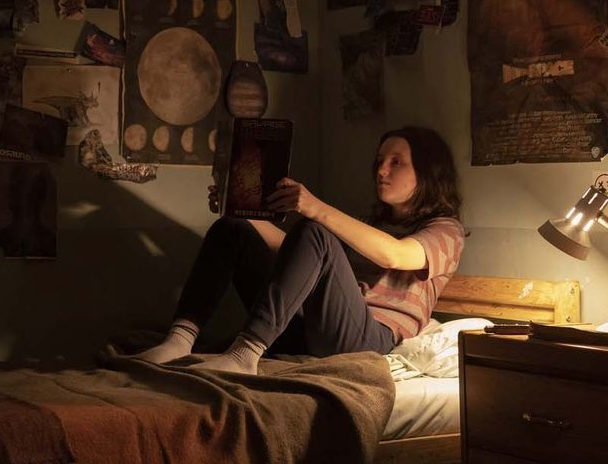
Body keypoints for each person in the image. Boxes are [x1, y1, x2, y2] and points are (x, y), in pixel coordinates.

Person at [133, 126, 465, 374]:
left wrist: (315, 208)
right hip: (313, 329)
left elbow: (394, 254)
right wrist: (238, 209)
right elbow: (298, 254)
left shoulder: (446, 230)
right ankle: (179, 340)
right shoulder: (370, 226)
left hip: (368, 340)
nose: (381, 170)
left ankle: (245, 354)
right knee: (233, 228)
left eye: (396, 162)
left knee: (315, 231)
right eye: (380, 161)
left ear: (427, 172)